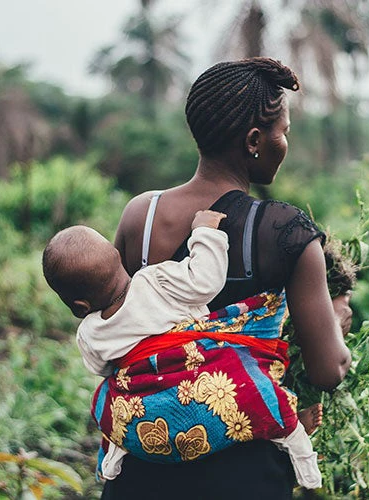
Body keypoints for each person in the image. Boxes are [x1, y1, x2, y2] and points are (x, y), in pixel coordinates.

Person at [104, 57, 351, 499]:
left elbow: (115, 329)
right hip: (243, 475)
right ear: (255, 139)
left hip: (143, 462)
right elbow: (329, 370)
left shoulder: (140, 215)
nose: (285, 143)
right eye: (284, 132)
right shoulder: (286, 232)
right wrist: (336, 317)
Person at [41, 210, 323, 489]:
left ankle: (115, 453)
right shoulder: (155, 281)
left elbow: (103, 369)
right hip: (203, 386)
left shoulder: (90, 333)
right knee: (254, 389)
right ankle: (298, 447)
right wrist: (205, 232)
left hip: (149, 417)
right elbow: (206, 281)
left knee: (107, 401)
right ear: (118, 258)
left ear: (79, 307)